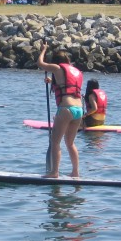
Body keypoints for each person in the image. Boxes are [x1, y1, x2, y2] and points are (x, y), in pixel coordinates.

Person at [38, 43, 83, 179]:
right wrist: (52, 81)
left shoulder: (57, 67)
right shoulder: (76, 71)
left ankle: (54, 172)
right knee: (70, 143)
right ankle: (75, 172)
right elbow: (66, 84)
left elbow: (40, 63)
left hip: (66, 109)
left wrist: (44, 50)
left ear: (56, 61)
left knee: (55, 141)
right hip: (79, 110)